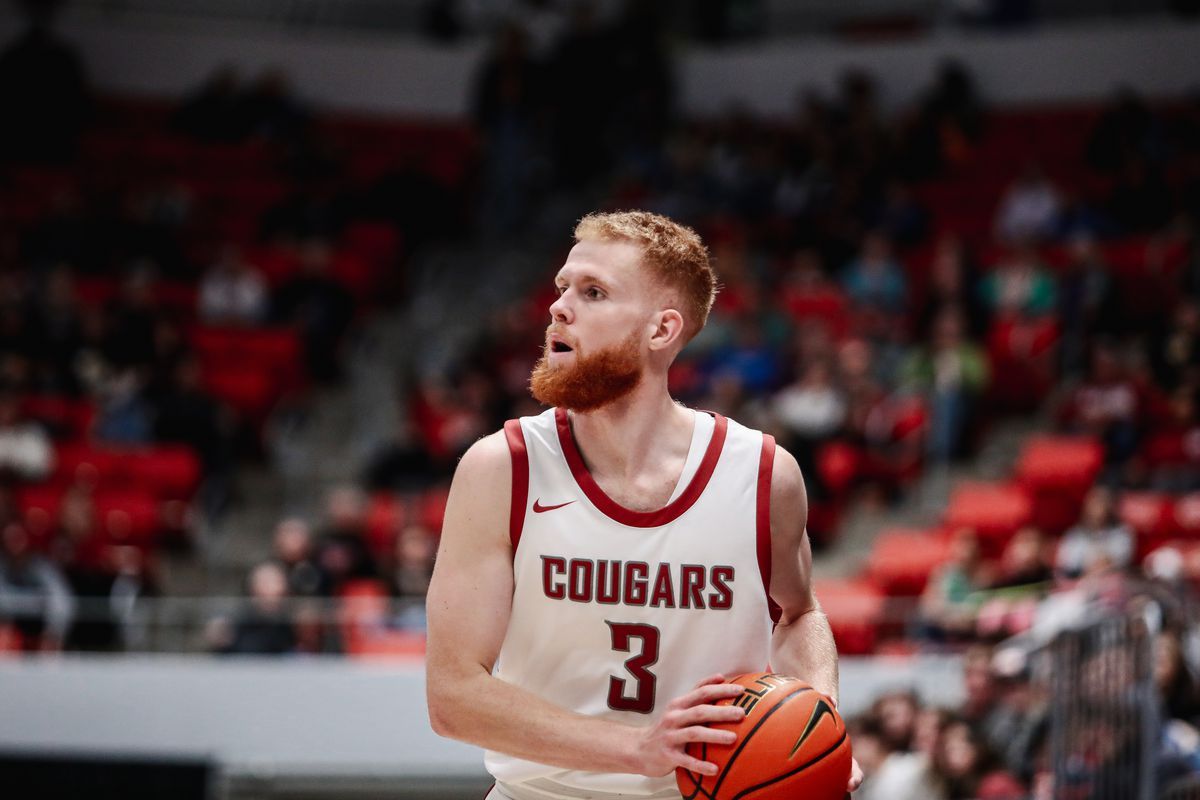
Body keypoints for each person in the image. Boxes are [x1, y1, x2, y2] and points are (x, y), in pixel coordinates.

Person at [425, 211, 862, 799]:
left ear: (661, 331)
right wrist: (635, 750)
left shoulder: (762, 476)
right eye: (562, 288)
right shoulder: (501, 469)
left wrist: (816, 724)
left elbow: (800, 614)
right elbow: (452, 695)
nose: (558, 307)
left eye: (594, 292)